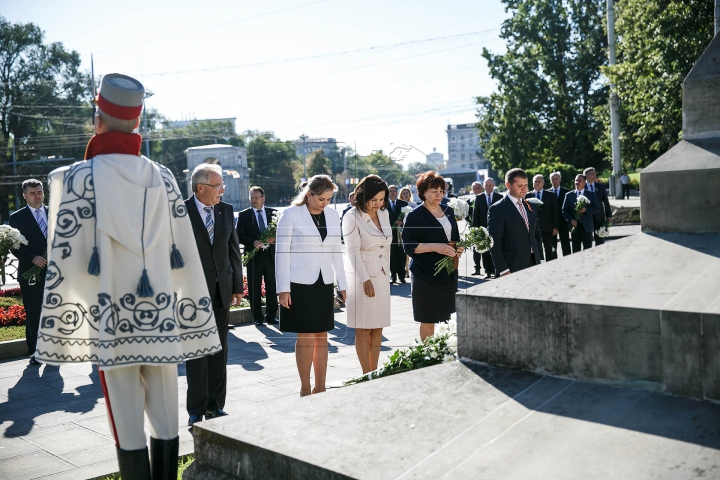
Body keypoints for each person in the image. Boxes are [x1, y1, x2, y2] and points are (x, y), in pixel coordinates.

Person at [34, 73, 221, 480]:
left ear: (98, 120)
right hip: (161, 318)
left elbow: (67, 261)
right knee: (168, 414)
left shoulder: (75, 180)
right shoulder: (164, 177)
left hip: (112, 321)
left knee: (126, 420)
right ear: (137, 123)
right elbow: (185, 256)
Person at [276, 175, 347, 396]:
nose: (325, 203)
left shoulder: (334, 216)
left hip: (323, 283)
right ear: (309, 195)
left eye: (329, 199)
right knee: (305, 336)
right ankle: (305, 387)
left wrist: (342, 285)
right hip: (299, 284)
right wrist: (283, 289)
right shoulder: (290, 215)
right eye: (321, 199)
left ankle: (321, 386)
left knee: (322, 335)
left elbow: (337, 251)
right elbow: (281, 253)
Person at [184, 163, 244, 426]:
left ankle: (215, 404)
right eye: (218, 185)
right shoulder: (179, 212)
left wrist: (238, 287)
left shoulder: (227, 211)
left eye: (222, 185)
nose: (222, 190)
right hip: (191, 293)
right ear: (200, 187)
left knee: (219, 349)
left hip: (222, 290)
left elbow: (233, 251)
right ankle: (196, 408)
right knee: (197, 351)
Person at [402, 171, 463, 341]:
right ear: (423, 192)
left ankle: (447, 354)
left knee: (449, 319)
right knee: (428, 319)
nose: (439, 195)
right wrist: (436, 247)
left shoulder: (449, 211)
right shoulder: (415, 215)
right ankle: (429, 358)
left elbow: (454, 238)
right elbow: (409, 246)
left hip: (448, 274)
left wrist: (459, 248)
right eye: (434, 191)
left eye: (441, 191)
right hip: (425, 276)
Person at [342, 175, 392, 373]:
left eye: (382, 199)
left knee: (378, 326)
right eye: (374, 200)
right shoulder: (351, 217)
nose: (378, 204)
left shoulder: (384, 213)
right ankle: (366, 373)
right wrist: (365, 279)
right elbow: (352, 251)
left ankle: (375, 371)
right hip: (361, 277)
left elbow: (386, 243)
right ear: (364, 197)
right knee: (362, 328)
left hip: (381, 276)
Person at [9, 179, 48, 366]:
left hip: (57, 272)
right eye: (32, 193)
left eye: (39, 192)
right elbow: (14, 246)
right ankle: (35, 351)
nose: (37, 195)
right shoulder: (17, 218)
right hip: (31, 272)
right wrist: (32, 258)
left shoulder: (55, 212)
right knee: (34, 311)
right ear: (24, 195)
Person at [488, 168, 545, 276]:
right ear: (508, 185)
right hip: (512, 267)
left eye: (526, 185)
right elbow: (494, 242)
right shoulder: (497, 209)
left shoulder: (530, 205)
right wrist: (503, 269)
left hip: (534, 263)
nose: (524, 189)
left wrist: (541, 260)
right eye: (520, 186)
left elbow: (536, 235)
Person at [236, 186, 279, 326]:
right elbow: (239, 235)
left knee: (272, 287)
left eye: (256, 198)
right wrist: (253, 242)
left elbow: (283, 232)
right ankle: (257, 317)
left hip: (270, 256)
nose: (253, 200)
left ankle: (272, 315)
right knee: (254, 288)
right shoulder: (244, 215)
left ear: (263, 198)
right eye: (251, 198)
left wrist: (275, 239)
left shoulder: (274, 213)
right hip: (254, 257)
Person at [472, 178, 503, 278]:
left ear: (493, 185)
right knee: (485, 250)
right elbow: (475, 215)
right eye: (486, 185)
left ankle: (496, 270)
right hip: (483, 229)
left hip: (496, 228)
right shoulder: (479, 198)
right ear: (484, 186)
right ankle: (487, 271)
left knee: (496, 249)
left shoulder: (500, 197)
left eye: (490, 185)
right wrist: (475, 230)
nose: (488, 187)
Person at [562, 174, 601, 253]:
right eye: (576, 180)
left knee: (588, 249)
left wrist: (586, 209)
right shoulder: (569, 195)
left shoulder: (591, 194)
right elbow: (564, 210)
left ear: (584, 182)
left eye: (579, 180)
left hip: (587, 226)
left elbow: (597, 208)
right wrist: (571, 220)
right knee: (576, 250)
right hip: (575, 226)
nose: (577, 182)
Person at [527, 174, 559, 261]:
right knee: (536, 249)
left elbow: (555, 212)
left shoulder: (550, 195)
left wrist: (555, 227)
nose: (537, 183)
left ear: (543, 183)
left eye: (539, 181)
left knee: (550, 249)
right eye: (535, 181)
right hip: (533, 229)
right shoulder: (527, 196)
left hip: (547, 228)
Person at [584, 168, 613, 246]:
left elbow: (606, 202)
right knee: (588, 240)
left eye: (595, 173)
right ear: (586, 176)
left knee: (600, 239)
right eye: (592, 174)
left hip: (599, 216)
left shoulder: (600, 187)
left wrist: (609, 215)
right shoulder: (582, 187)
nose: (594, 175)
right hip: (587, 216)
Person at [387, 185, 409, 284]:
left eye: (394, 191)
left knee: (401, 255)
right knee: (392, 255)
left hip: (400, 234)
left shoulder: (403, 204)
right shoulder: (384, 204)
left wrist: (402, 222)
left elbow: (408, 219)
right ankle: (393, 276)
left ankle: (402, 276)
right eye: (390, 191)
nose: (392, 193)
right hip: (389, 234)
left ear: (397, 192)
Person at [548, 172, 571, 257]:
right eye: (552, 179)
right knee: (553, 246)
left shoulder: (566, 192)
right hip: (552, 224)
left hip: (563, 222)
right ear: (550, 181)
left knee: (566, 245)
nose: (554, 180)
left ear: (560, 180)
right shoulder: (547, 193)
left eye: (556, 178)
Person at [466, 181, 483, 275]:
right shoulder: (469, 201)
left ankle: (490, 269)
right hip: (474, 229)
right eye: (475, 188)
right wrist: (470, 222)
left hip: (485, 227)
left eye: (479, 188)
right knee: (476, 248)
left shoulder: (485, 198)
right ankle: (477, 268)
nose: (477, 190)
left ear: (482, 188)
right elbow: (465, 214)